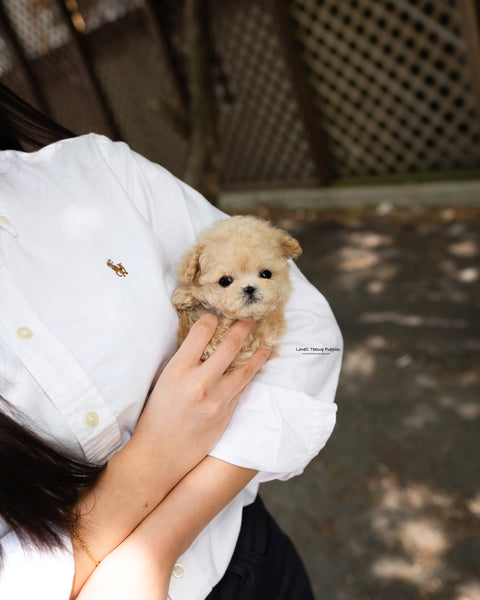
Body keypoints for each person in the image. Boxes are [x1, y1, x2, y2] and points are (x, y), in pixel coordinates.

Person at [0, 83, 342, 600]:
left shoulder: (96, 172)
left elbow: (306, 331)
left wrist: (156, 544)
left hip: (252, 562)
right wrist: (153, 458)